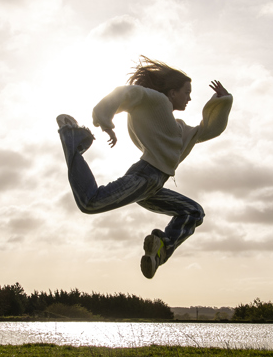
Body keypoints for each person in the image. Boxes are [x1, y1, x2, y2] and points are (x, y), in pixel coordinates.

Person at [57, 56, 233, 279]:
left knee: (193, 212)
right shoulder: (156, 100)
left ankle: (160, 248)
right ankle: (73, 136)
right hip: (145, 176)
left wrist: (223, 100)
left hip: (153, 186)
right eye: (186, 92)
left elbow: (207, 130)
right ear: (172, 92)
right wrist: (105, 118)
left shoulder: (179, 128)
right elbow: (126, 93)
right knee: (89, 202)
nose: (190, 98)